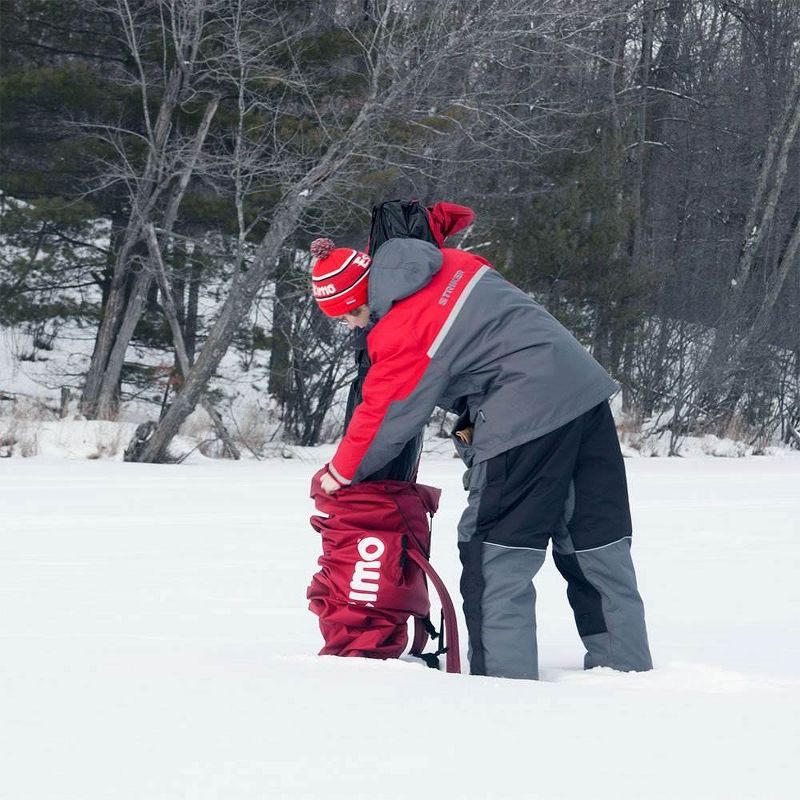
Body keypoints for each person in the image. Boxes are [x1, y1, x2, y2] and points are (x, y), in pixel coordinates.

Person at [309, 232, 652, 679]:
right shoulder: (452, 262)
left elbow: (388, 415)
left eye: (350, 316)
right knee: (595, 542)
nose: (353, 327)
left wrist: (340, 473)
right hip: (585, 395)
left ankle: (501, 688)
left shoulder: (403, 328)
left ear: (362, 297)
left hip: (523, 414)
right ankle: (628, 673)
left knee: (495, 552)